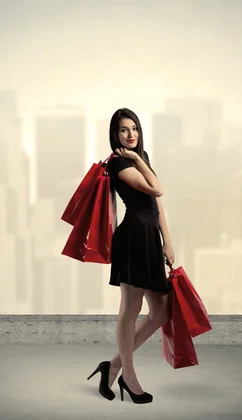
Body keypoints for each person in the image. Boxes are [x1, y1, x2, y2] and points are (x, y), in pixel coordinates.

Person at [86, 108, 175, 404]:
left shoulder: (141, 157)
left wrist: (167, 240)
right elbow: (157, 189)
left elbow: (156, 204)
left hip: (150, 238)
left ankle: (112, 366)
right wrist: (136, 159)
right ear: (115, 134)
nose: (130, 134)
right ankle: (129, 377)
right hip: (134, 238)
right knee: (130, 309)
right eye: (124, 130)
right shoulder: (119, 163)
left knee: (161, 311)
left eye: (134, 128)